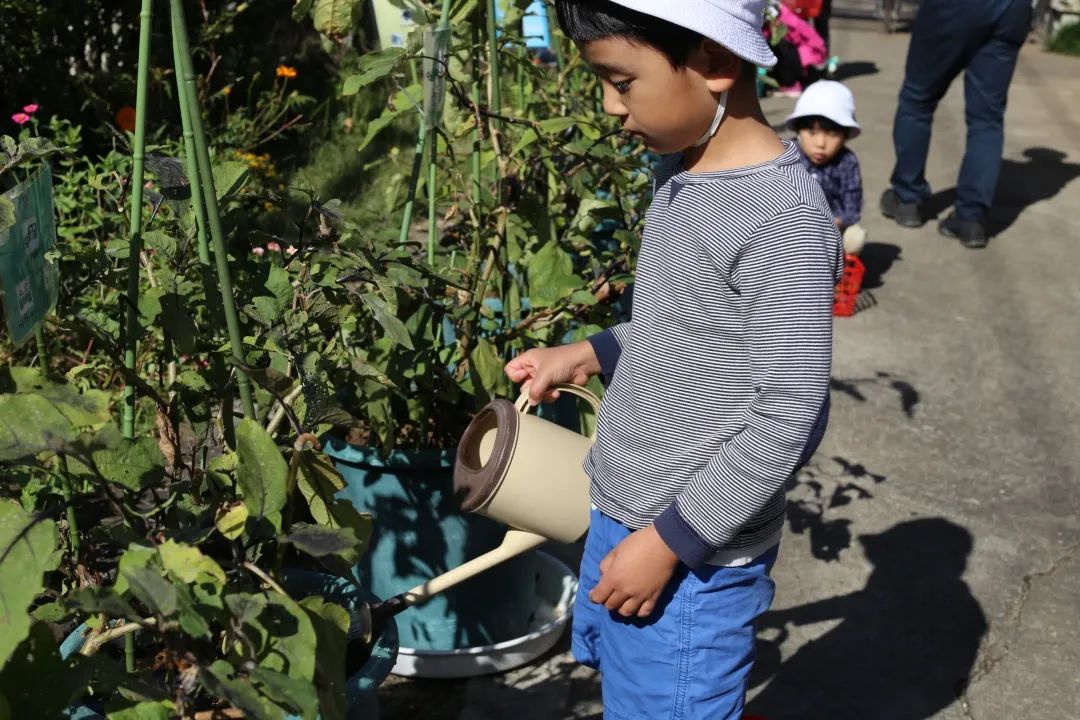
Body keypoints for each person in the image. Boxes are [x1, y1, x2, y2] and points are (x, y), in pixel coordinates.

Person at [503, 1, 844, 717]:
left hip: (693, 558)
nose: (608, 105)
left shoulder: (781, 219)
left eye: (621, 81)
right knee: (635, 691)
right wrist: (589, 353)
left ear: (717, 63)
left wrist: (670, 542)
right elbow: (683, 330)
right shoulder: (684, 172)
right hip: (622, 513)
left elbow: (789, 414)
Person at [880, 0, 1033, 248]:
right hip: (1012, 9)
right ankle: (971, 218)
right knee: (987, 119)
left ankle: (908, 199)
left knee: (917, 100)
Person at [787, 80, 866, 255]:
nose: (821, 143)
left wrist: (830, 224)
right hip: (790, 227)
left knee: (855, 237)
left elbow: (852, 207)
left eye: (832, 134)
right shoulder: (787, 155)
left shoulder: (847, 161)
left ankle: (838, 269)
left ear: (845, 136)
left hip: (833, 227)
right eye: (812, 133)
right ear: (798, 131)